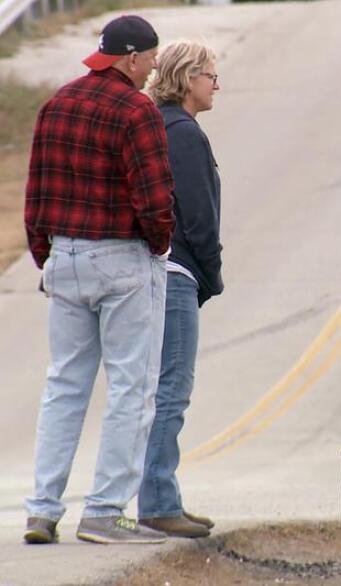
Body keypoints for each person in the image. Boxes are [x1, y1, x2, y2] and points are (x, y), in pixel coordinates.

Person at [23, 15, 175, 544]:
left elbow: (35, 193)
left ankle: (41, 510)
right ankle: (105, 513)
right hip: (121, 257)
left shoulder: (56, 103)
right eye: (151, 60)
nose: (153, 70)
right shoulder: (137, 111)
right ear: (131, 59)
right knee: (131, 387)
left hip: (63, 256)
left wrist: (46, 254)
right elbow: (155, 198)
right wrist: (157, 247)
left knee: (64, 385)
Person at [137, 41, 224, 538]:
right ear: (189, 77)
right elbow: (197, 217)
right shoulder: (184, 133)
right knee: (171, 390)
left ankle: (159, 496)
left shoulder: (157, 125)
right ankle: (157, 501)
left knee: (152, 390)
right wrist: (210, 274)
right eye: (211, 76)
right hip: (177, 274)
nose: (216, 86)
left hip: (157, 271)